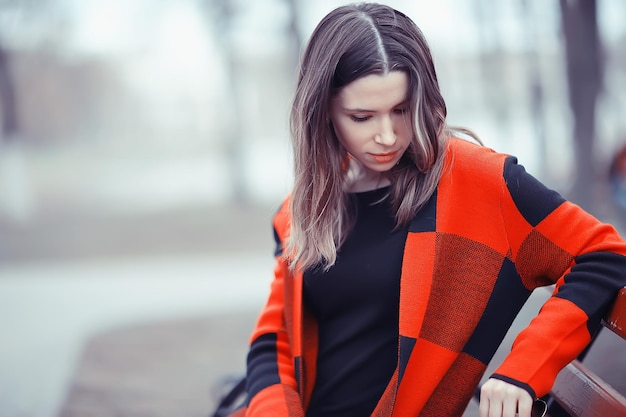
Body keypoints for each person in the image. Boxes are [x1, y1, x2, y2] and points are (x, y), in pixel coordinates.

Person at [234, 3, 626, 417]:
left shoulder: (478, 183)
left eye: (401, 110)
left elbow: (603, 255)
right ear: (323, 113)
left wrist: (524, 368)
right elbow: (273, 338)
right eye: (362, 116)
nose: (387, 136)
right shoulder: (303, 209)